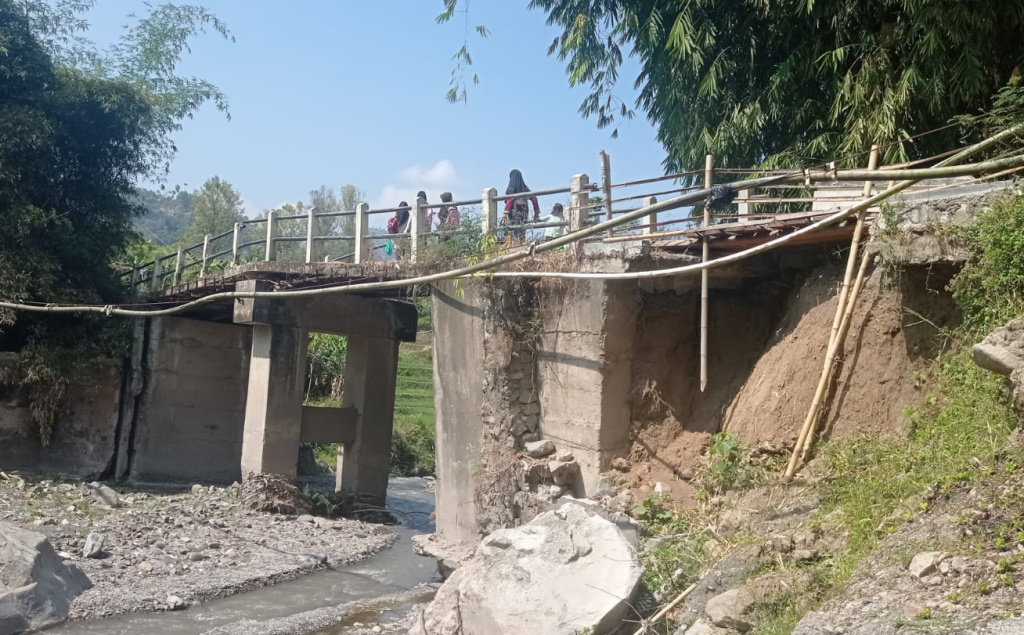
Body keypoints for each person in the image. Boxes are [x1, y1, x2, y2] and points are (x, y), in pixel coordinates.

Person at [503, 169, 540, 241]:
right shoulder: (525, 188)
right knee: (522, 231)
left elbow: (510, 199)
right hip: (524, 212)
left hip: (515, 212)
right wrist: (536, 213)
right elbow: (534, 198)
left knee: (515, 230)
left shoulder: (511, 187)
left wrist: (505, 212)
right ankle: (521, 243)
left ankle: (517, 244)